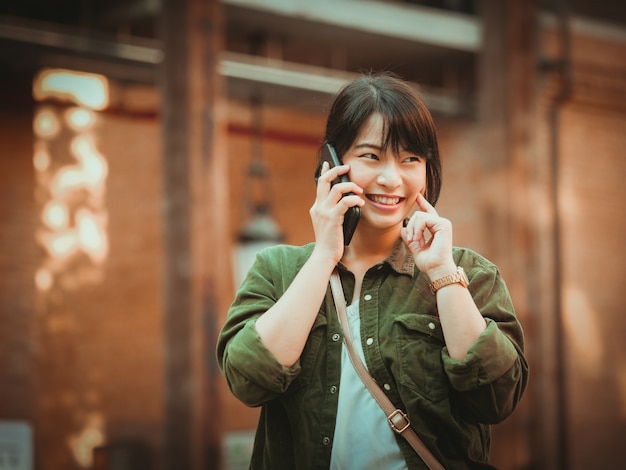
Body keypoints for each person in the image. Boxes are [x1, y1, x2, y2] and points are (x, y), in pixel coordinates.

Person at [216, 72, 528, 469]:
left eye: (410, 159)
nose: (391, 178)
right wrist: (325, 256)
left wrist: (443, 274)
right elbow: (248, 379)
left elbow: (497, 399)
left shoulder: (470, 273)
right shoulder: (278, 270)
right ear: (333, 163)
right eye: (371, 155)